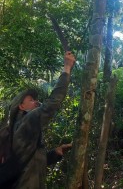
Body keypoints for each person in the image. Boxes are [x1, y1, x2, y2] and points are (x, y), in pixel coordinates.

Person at [8, 51, 75, 189]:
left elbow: (30, 164)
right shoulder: (26, 121)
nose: (36, 102)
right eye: (31, 100)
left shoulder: (19, 129)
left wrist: (55, 153)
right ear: (21, 106)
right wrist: (67, 68)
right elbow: (51, 104)